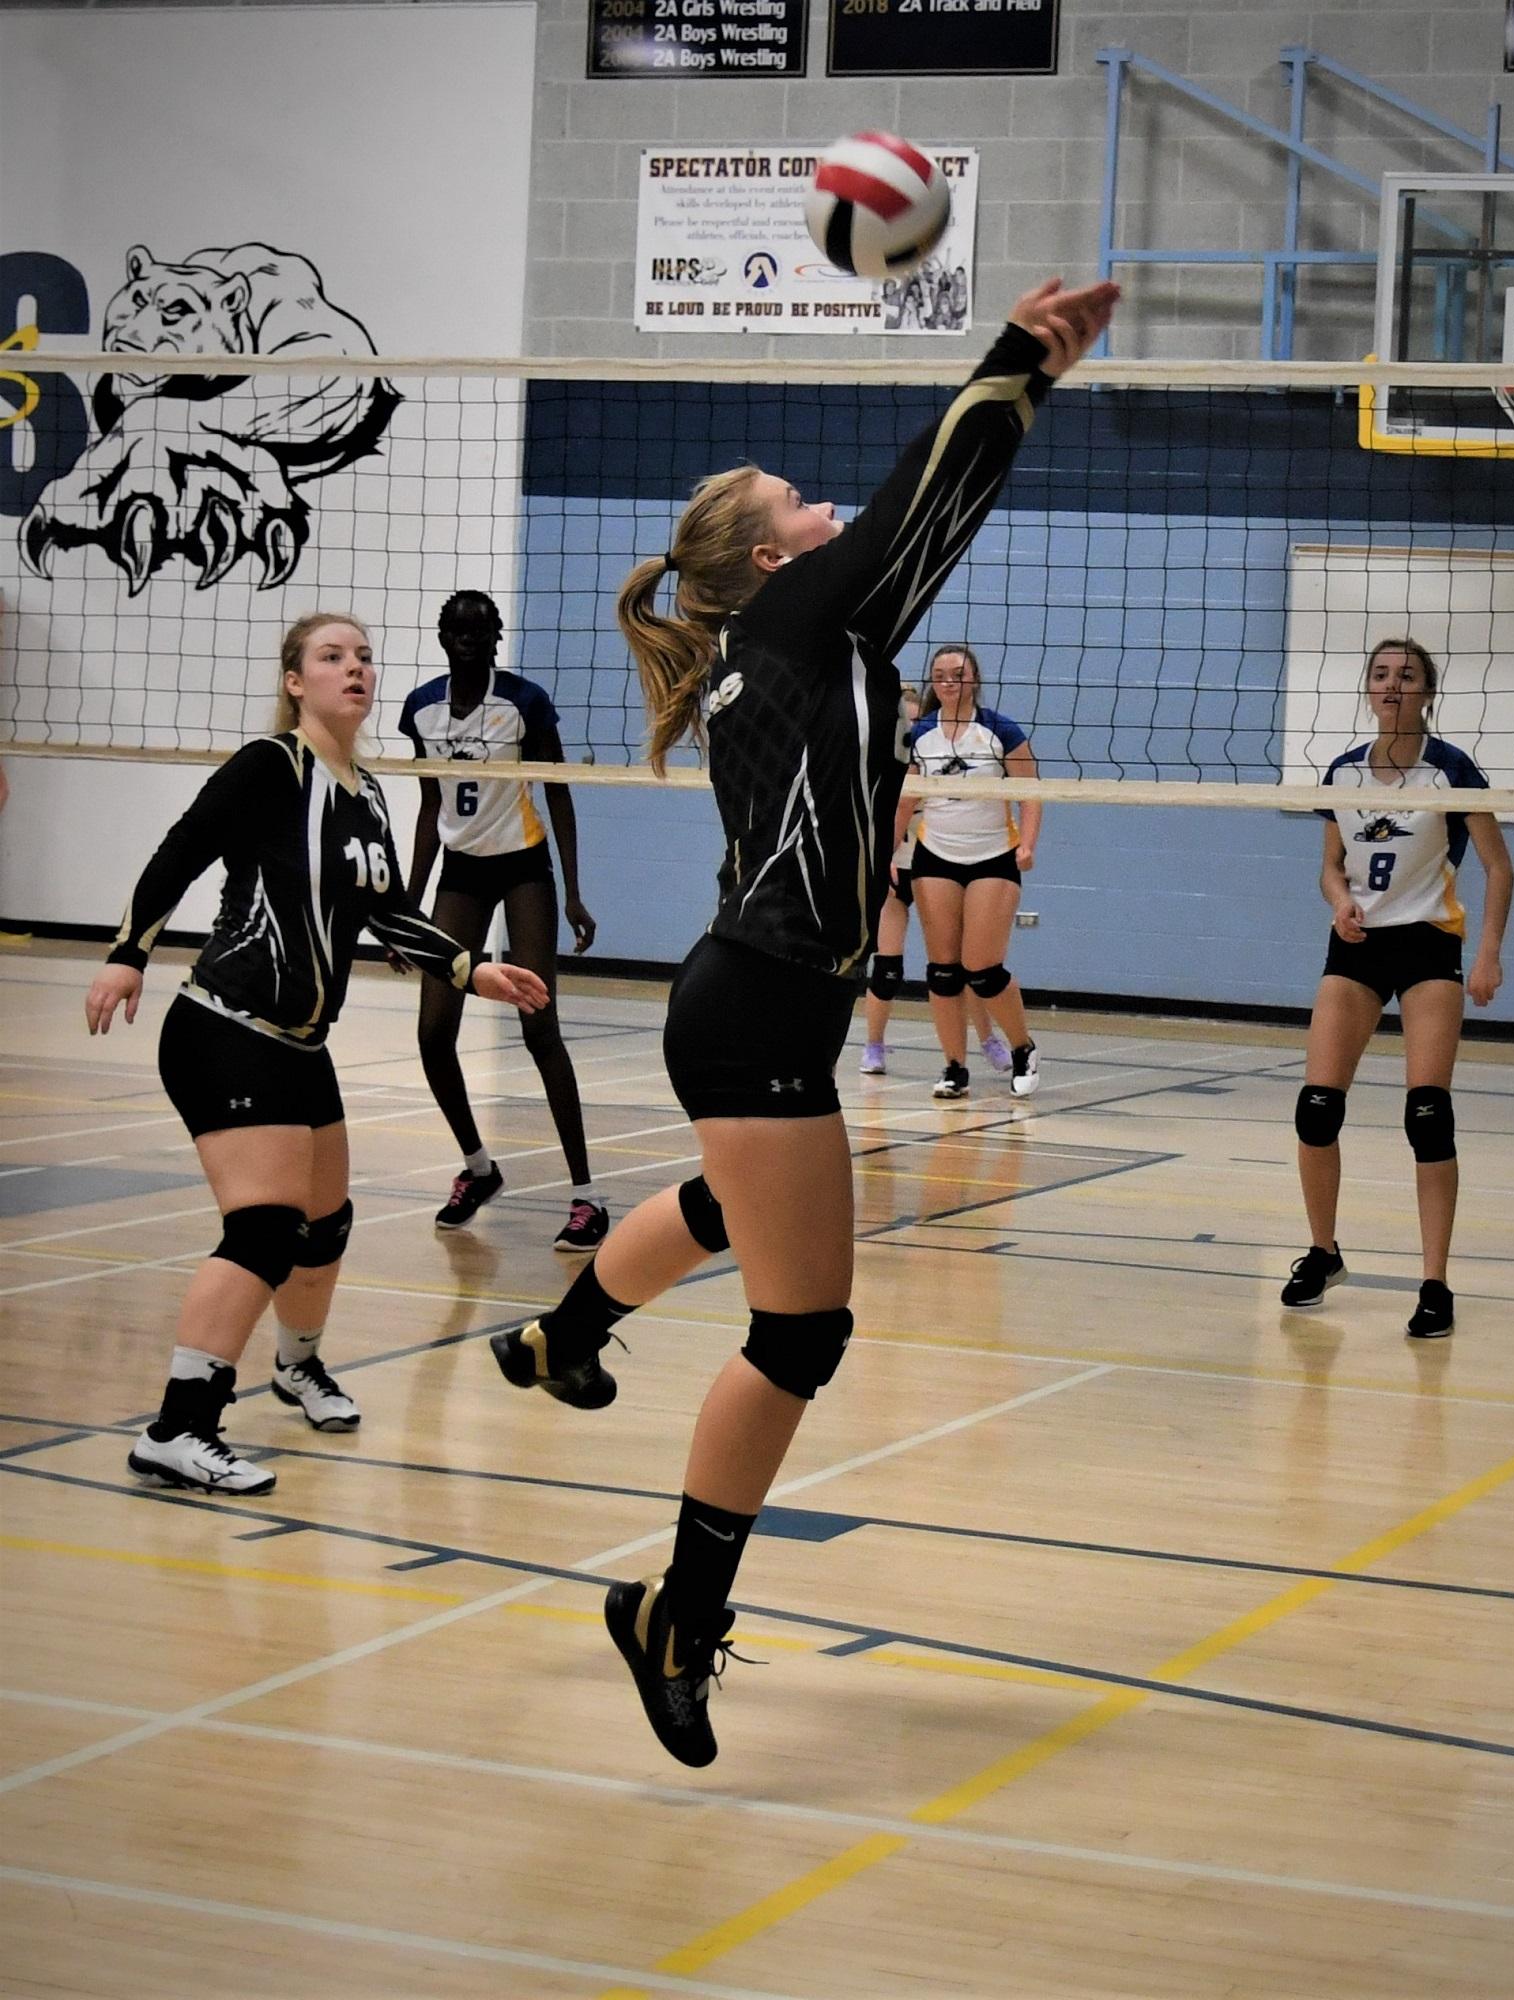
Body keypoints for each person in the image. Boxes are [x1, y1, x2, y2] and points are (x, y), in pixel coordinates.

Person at [489, 275, 1118, 1766]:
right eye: (797, 498)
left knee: (737, 1207)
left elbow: (922, 532)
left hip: (751, 1005)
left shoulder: (794, 634)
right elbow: (920, 499)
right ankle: (677, 1616)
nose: (826, 504)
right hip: (760, 1007)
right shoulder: (793, 613)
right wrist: (1024, 357)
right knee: (805, 1324)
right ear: (770, 554)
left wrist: (1026, 390)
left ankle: (568, 1335)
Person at [83, 613, 546, 1496]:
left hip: (300, 1045)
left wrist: (470, 968)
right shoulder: (270, 767)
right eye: (332, 657)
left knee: (326, 1222)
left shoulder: (367, 793)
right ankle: (177, 1429)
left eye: (364, 657)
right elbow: (179, 853)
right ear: (295, 680)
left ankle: (297, 1369)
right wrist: (126, 953)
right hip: (226, 1028)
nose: (355, 669)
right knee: (263, 1229)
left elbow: (386, 913)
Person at [1281, 636, 1514, 1339]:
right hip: (1356, 945)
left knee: (1427, 1115)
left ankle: (1435, 1282)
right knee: (1317, 1109)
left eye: (1405, 676)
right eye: (1380, 675)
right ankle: (1325, 1254)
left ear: (1426, 691)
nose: (1391, 686)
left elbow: (1500, 869)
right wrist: (1337, 901)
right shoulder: (1343, 773)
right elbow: (1330, 866)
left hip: (1427, 942)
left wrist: (1489, 956)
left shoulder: (1451, 771)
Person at [400, 590, 604, 1252]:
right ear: (440, 637)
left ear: (495, 637)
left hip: (522, 869)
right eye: (456, 630)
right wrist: (408, 901)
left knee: (538, 1026)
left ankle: (586, 1196)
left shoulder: (523, 702)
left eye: (479, 630)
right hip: (461, 874)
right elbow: (431, 806)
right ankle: (479, 1169)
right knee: (434, 1032)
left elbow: (559, 791)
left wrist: (573, 891)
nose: (467, 639)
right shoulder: (421, 709)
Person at [896, 643, 1043, 1099]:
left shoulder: (1000, 730)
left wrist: (1029, 845)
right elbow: (905, 799)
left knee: (982, 968)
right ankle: (954, 1067)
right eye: (940, 674)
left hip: (994, 855)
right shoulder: (919, 733)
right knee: (943, 971)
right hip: (935, 854)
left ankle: (1023, 1047)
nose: (947, 681)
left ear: (973, 679)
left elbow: (1031, 792)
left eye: (957, 674)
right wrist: (888, 849)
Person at [860, 682, 1009, 1079]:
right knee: (886, 969)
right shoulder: (879, 768)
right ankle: (873, 1045)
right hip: (896, 872)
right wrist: (883, 857)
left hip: (937, 868)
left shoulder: (940, 757)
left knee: (958, 968)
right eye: (902, 724)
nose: (910, 730)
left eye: (914, 722)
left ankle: (988, 1040)